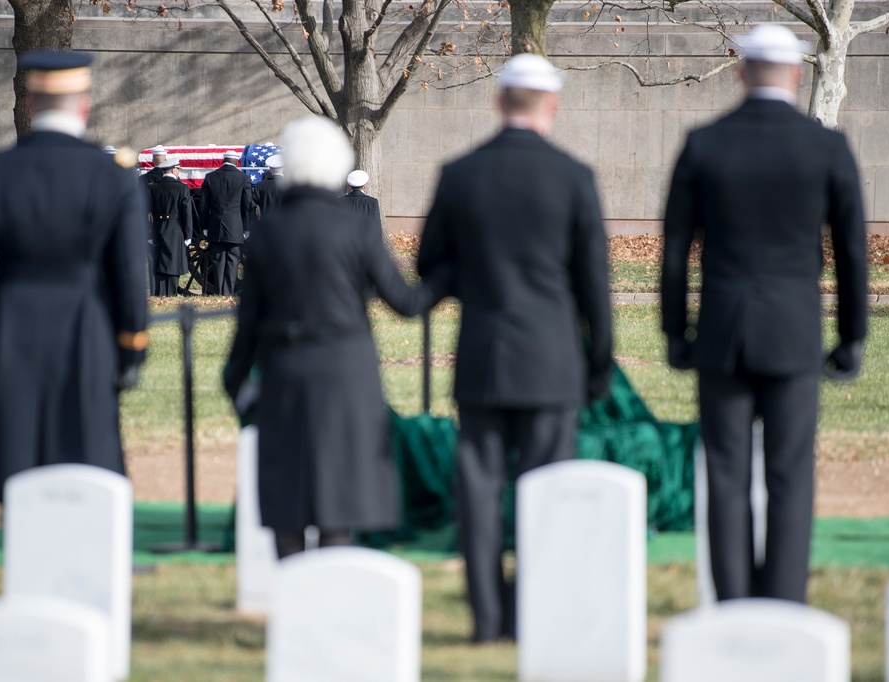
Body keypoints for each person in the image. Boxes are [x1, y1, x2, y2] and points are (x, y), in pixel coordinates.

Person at [660, 24, 868, 603]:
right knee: (789, 476)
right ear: (798, 74)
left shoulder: (704, 143)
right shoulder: (826, 147)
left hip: (724, 333)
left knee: (726, 475)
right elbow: (851, 251)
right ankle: (782, 603)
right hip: (794, 334)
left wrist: (676, 333)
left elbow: (676, 249)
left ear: (741, 73)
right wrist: (851, 337)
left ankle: (731, 605)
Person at [417, 53, 613, 643]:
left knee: (479, 491)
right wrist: (598, 361)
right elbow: (594, 287)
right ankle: (532, 613)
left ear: (498, 102)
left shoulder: (460, 173)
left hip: (483, 353)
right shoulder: (575, 177)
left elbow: (431, 265)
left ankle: (486, 620)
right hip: (553, 360)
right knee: (547, 492)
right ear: (551, 105)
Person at [223, 116, 445, 559]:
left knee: (288, 492)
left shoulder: (268, 232)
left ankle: (290, 591)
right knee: (337, 493)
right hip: (348, 374)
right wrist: (449, 274)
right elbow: (405, 302)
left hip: (285, 369)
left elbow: (248, 322)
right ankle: (329, 589)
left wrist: (236, 382)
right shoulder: (356, 229)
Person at [0, 49, 149, 503]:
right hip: (88, 324)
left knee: (19, 454)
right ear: (85, 103)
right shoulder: (112, 175)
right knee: (89, 451)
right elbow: (127, 273)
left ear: (32, 102)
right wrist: (131, 345)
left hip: (13, 322)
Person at [200, 149, 254, 295]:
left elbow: (204, 205)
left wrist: (204, 227)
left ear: (223, 161)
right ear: (236, 161)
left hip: (216, 225)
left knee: (218, 260)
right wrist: (246, 228)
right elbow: (246, 205)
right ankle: (228, 292)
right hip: (236, 226)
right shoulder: (243, 178)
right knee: (232, 261)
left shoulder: (210, 177)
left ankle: (219, 292)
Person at [147, 156, 194, 297]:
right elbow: (187, 213)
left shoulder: (153, 187)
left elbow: (147, 211)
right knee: (174, 262)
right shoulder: (182, 188)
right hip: (176, 228)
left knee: (160, 262)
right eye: (178, 170)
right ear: (174, 170)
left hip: (158, 227)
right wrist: (188, 235)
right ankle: (172, 293)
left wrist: (150, 233)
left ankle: (160, 293)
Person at [341, 169, 381, 235]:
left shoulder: (340, 201)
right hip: (365, 242)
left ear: (350, 186)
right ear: (364, 186)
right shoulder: (372, 203)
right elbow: (376, 227)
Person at [252, 153, 284, 221]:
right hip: (287, 226)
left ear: (270, 170)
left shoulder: (260, 185)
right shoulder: (290, 185)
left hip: (266, 226)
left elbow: (252, 206)